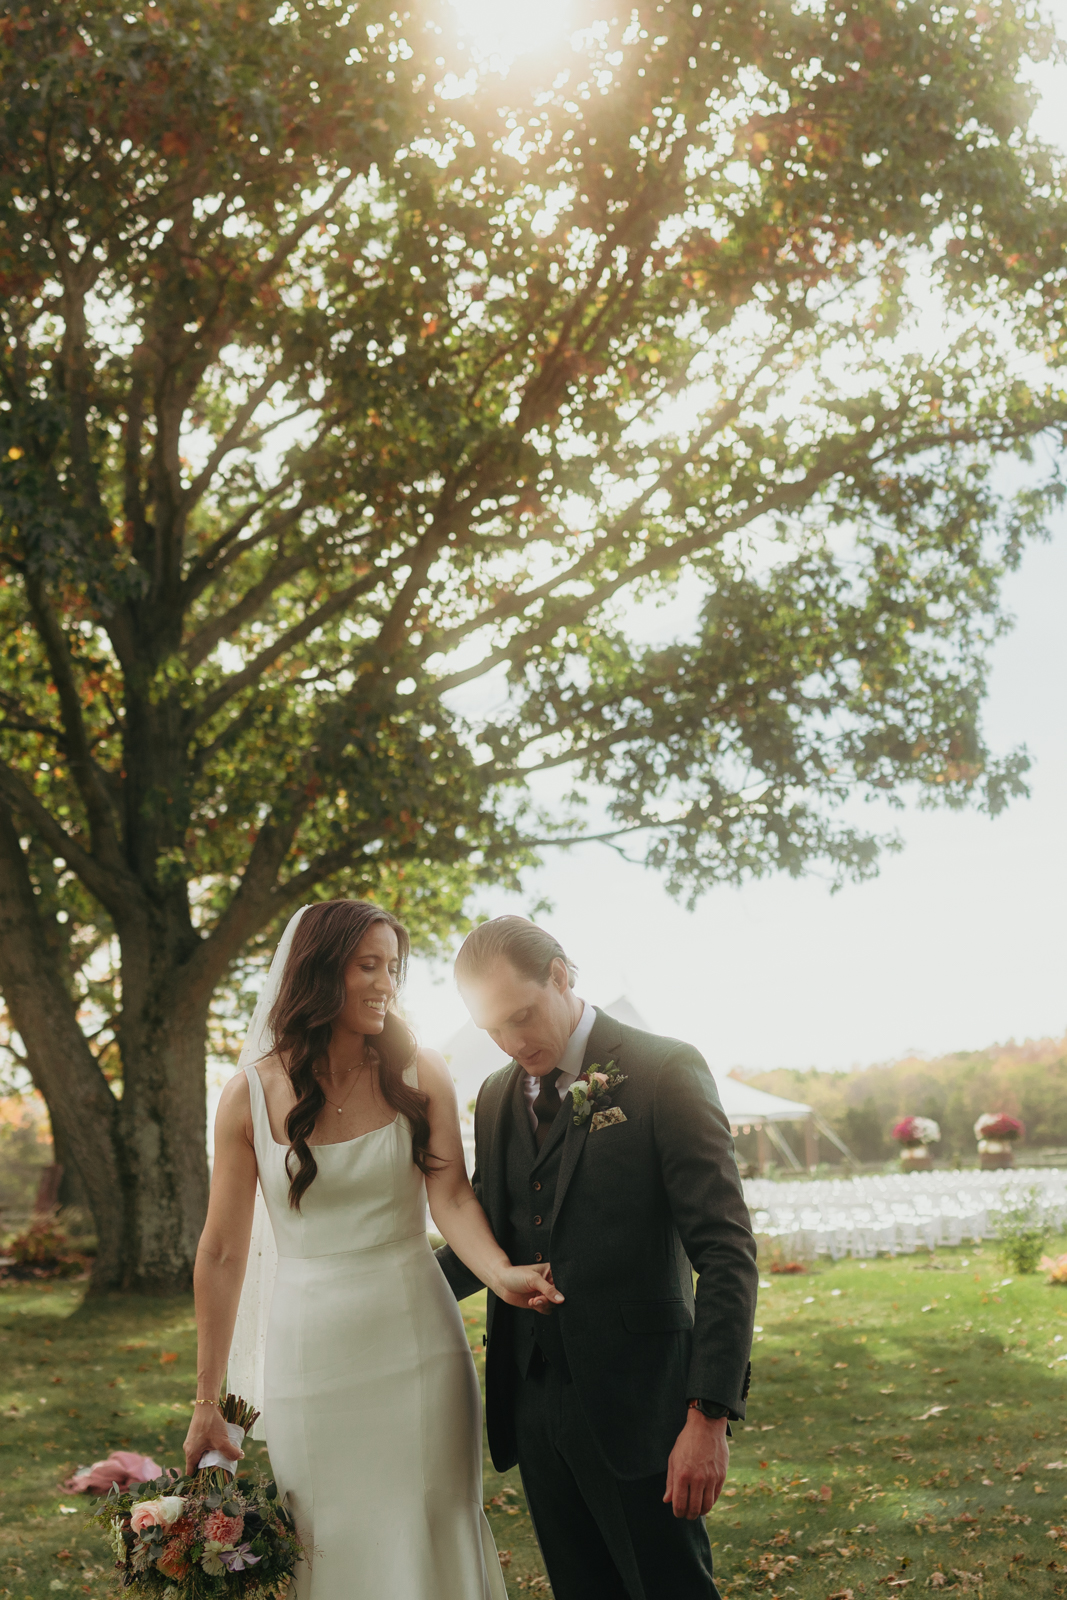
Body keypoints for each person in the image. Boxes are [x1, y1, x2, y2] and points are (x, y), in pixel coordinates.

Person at [184, 900, 561, 1600]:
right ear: (319, 971)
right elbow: (222, 1253)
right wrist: (211, 1400)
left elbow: (451, 1198)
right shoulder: (248, 1096)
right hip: (309, 1358)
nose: (386, 982)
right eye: (368, 966)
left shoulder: (419, 1072)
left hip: (417, 1345)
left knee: (429, 1521)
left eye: (393, 967)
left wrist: (499, 1271)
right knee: (326, 1536)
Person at [436, 916, 758, 1600]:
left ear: (560, 974)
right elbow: (486, 1237)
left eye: (522, 1015)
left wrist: (708, 1414)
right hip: (531, 1405)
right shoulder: (494, 1097)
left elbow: (726, 1252)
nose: (512, 1042)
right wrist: (383, 1288)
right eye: (492, 1028)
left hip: (643, 1406)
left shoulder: (664, 1069)